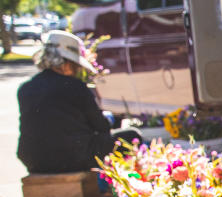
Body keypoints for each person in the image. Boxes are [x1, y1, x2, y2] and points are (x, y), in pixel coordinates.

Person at [17, 31, 134, 174]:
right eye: (75, 65)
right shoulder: (74, 86)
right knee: (132, 136)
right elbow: (101, 126)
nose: (76, 70)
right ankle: (118, 186)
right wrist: (109, 119)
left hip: (34, 160)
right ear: (66, 64)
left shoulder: (26, 88)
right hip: (72, 157)